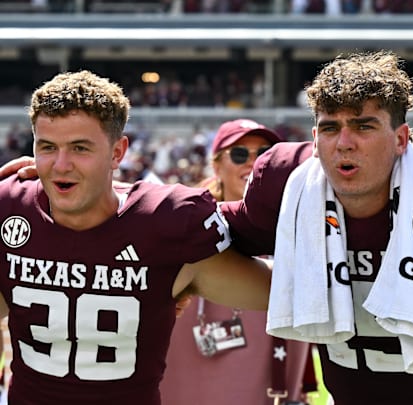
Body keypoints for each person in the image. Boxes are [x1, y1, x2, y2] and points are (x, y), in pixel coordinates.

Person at [219, 50, 413, 404]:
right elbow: (212, 238)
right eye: (330, 127)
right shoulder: (285, 185)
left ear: (402, 139)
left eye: (363, 126)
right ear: (314, 140)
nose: (344, 142)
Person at [0, 70, 271, 404]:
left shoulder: (162, 224)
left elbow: (283, 294)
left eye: (79, 148)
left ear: (117, 153)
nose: (61, 164)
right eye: (48, 147)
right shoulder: (11, 209)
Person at [160, 119, 316, 405]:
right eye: (240, 154)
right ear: (217, 166)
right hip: (186, 379)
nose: (253, 163)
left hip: (265, 384)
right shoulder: (182, 226)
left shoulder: (297, 229)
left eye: (265, 154)